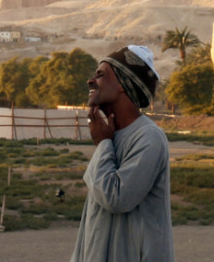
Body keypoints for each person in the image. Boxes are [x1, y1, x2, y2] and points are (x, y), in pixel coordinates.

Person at [71, 45, 174, 262]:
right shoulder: (110, 134)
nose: (91, 81)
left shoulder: (149, 138)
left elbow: (116, 198)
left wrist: (102, 145)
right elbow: (94, 223)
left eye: (100, 75)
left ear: (122, 84)